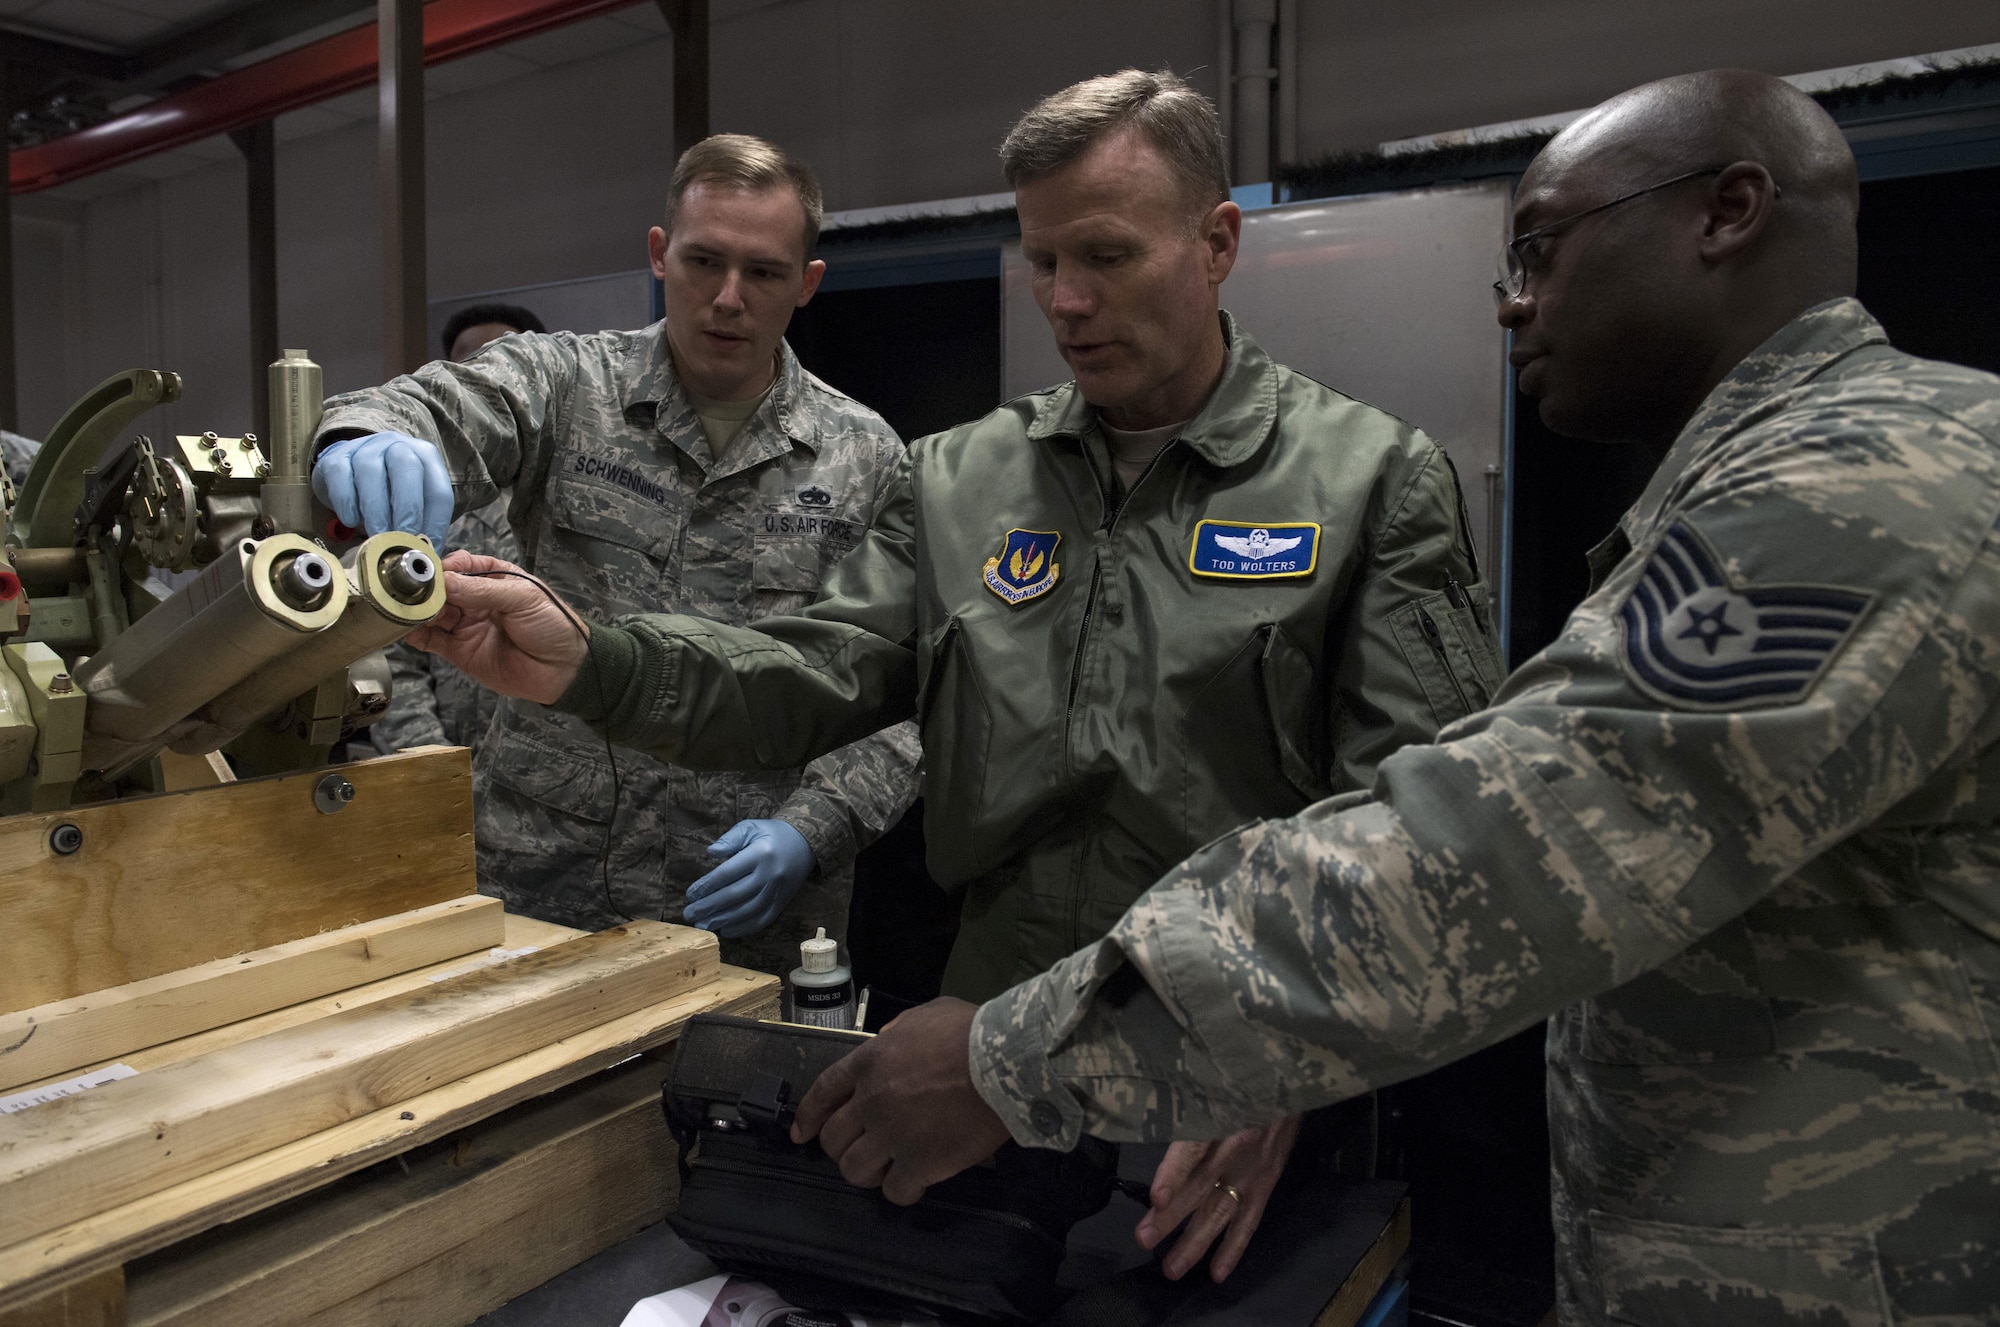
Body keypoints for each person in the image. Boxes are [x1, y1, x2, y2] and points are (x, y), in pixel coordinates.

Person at [757, 69, 2000, 1327]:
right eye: (1043, 262)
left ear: (1726, 211)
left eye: (1539, 247)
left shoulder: (1861, 481)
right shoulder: (1794, 472)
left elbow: (1480, 853)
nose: (1512, 303)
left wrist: (1008, 1059)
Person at [400, 70, 1501, 1283]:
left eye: (1106, 255)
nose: (1066, 302)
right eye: (1040, 262)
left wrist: (1293, 1062)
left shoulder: (1368, 484)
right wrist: (594, 661)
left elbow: (1411, 838)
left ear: (1217, 240)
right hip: (971, 1066)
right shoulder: (960, 479)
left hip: (1230, 1083)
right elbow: (810, 672)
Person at [311, 134, 922, 977]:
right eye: (704, 260)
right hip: (544, 888)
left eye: (765, 273)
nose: (729, 298)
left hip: (748, 914)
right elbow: (451, 401)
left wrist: (812, 828)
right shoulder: (569, 386)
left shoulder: (864, 455)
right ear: (659, 255)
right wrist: (372, 432)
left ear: (808, 284)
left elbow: (902, 687)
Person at [369, 304, 544, 758]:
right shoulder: (421, 510)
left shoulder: (582, 499)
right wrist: (432, 764)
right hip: (457, 775)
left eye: (505, 361)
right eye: (471, 366)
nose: (490, 379)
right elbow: (389, 655)